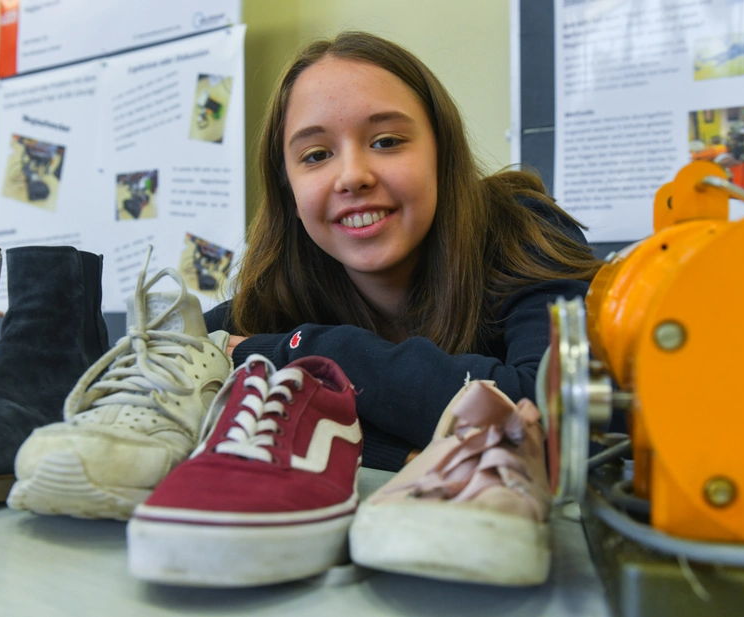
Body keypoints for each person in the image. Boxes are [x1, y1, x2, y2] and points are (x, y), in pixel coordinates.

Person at [204, 31, 600, 472]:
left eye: (386, 142)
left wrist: (311, 352)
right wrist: (392, 452)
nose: (352, 176)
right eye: (316, 155)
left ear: (441, 153)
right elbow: (169, 370)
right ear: (288, 190)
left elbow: (549, 420)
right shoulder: (280, 284)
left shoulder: (526, 233)